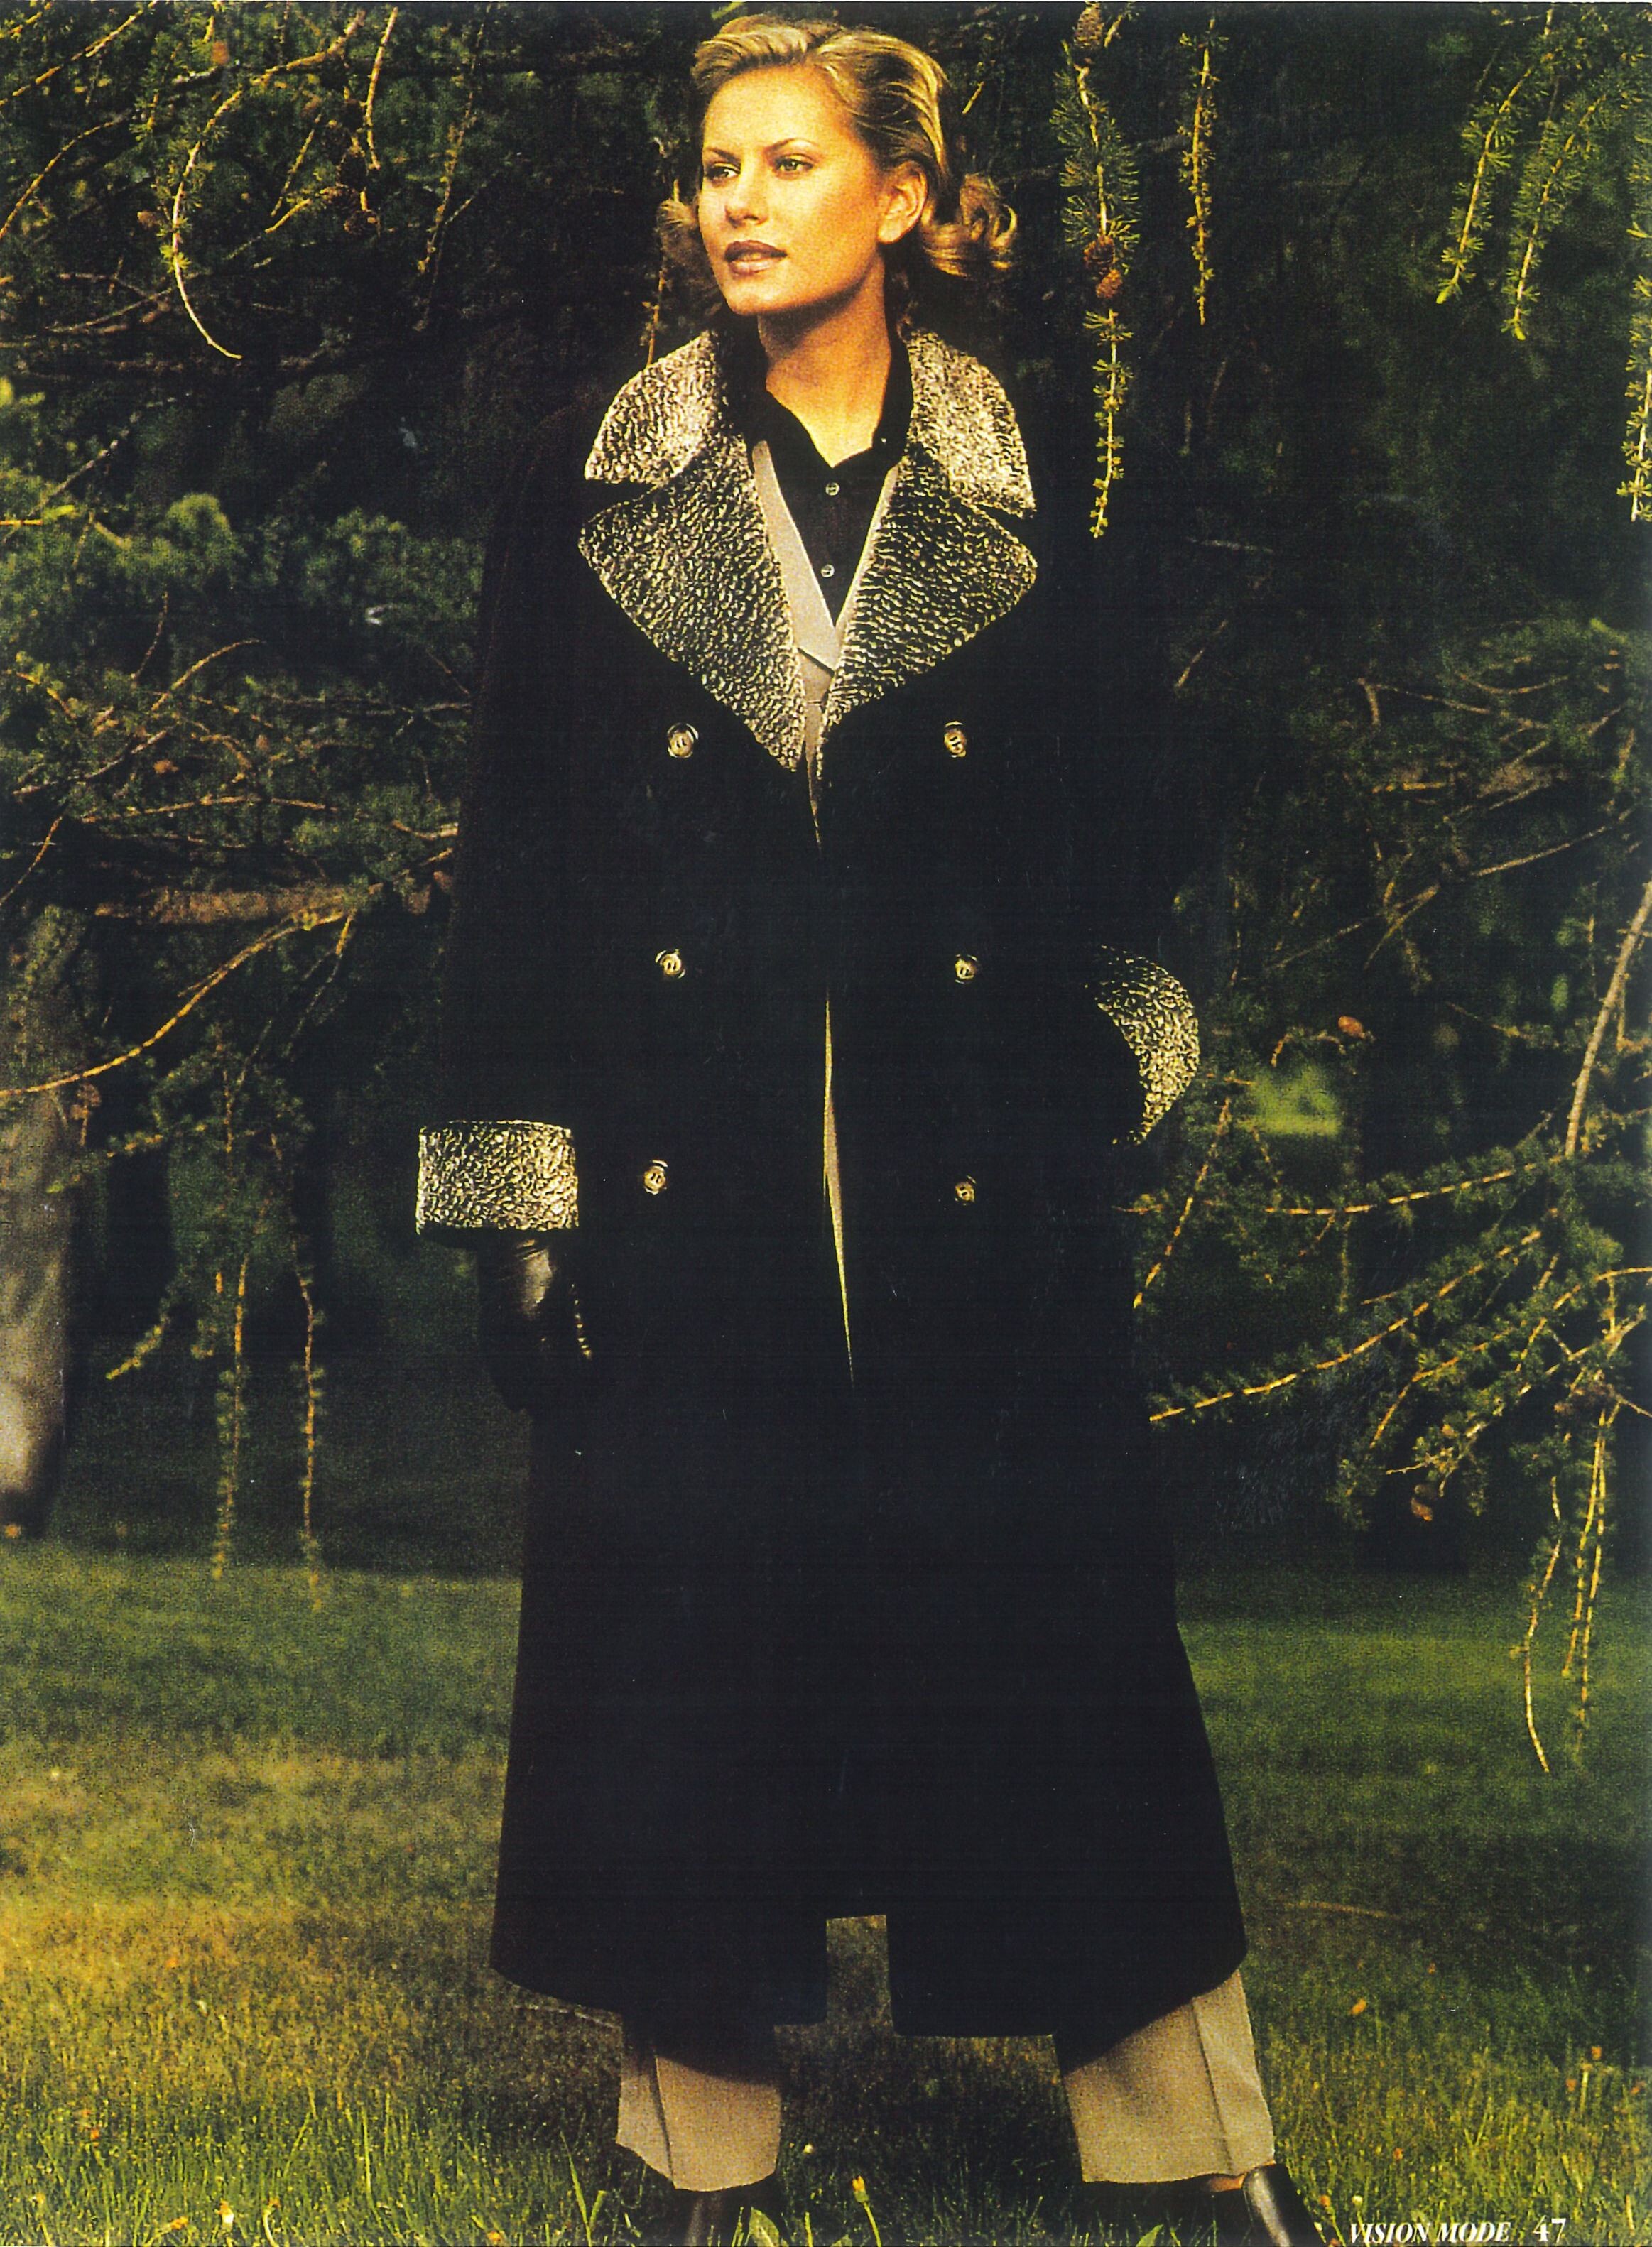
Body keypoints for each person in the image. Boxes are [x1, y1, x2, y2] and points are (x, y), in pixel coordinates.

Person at [418, 18, 1326, 2246]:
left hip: (976, 1181)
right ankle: (693, 2163)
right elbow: (513, 851)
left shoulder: (1049, 478)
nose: (738, 203)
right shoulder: (591, 484)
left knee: (1073, 1653)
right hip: (686, 1183)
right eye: (716, 166)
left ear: (904, 198)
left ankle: (1195, 2148)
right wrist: (517, 1188)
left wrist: (1097, 1074)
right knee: (690, 1655)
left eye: (791, 163)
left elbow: (1156, 836)